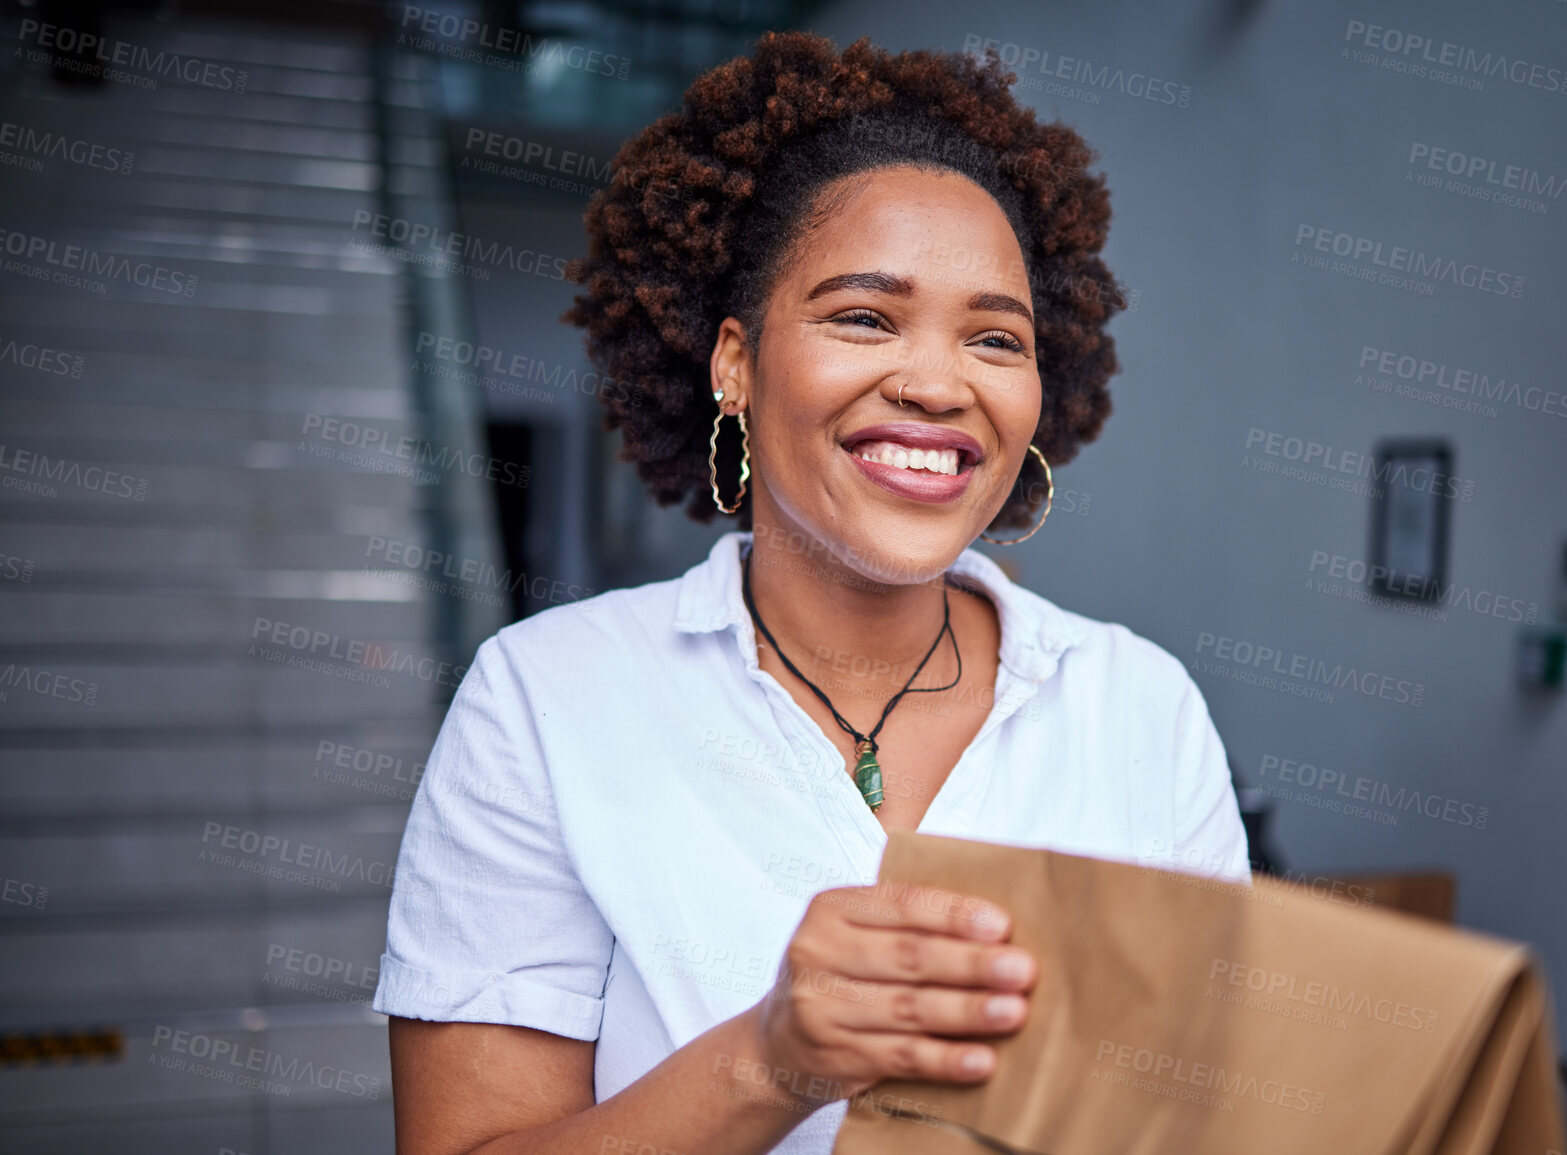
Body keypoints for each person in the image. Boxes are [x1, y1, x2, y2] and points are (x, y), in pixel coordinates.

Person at [376, 30, 1250, 1155]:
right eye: (863, 317)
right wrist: (772, 1061)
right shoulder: (545, 701)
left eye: (995, 338)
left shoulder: (1142, 704)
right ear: (734, 363)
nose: (938, 384)